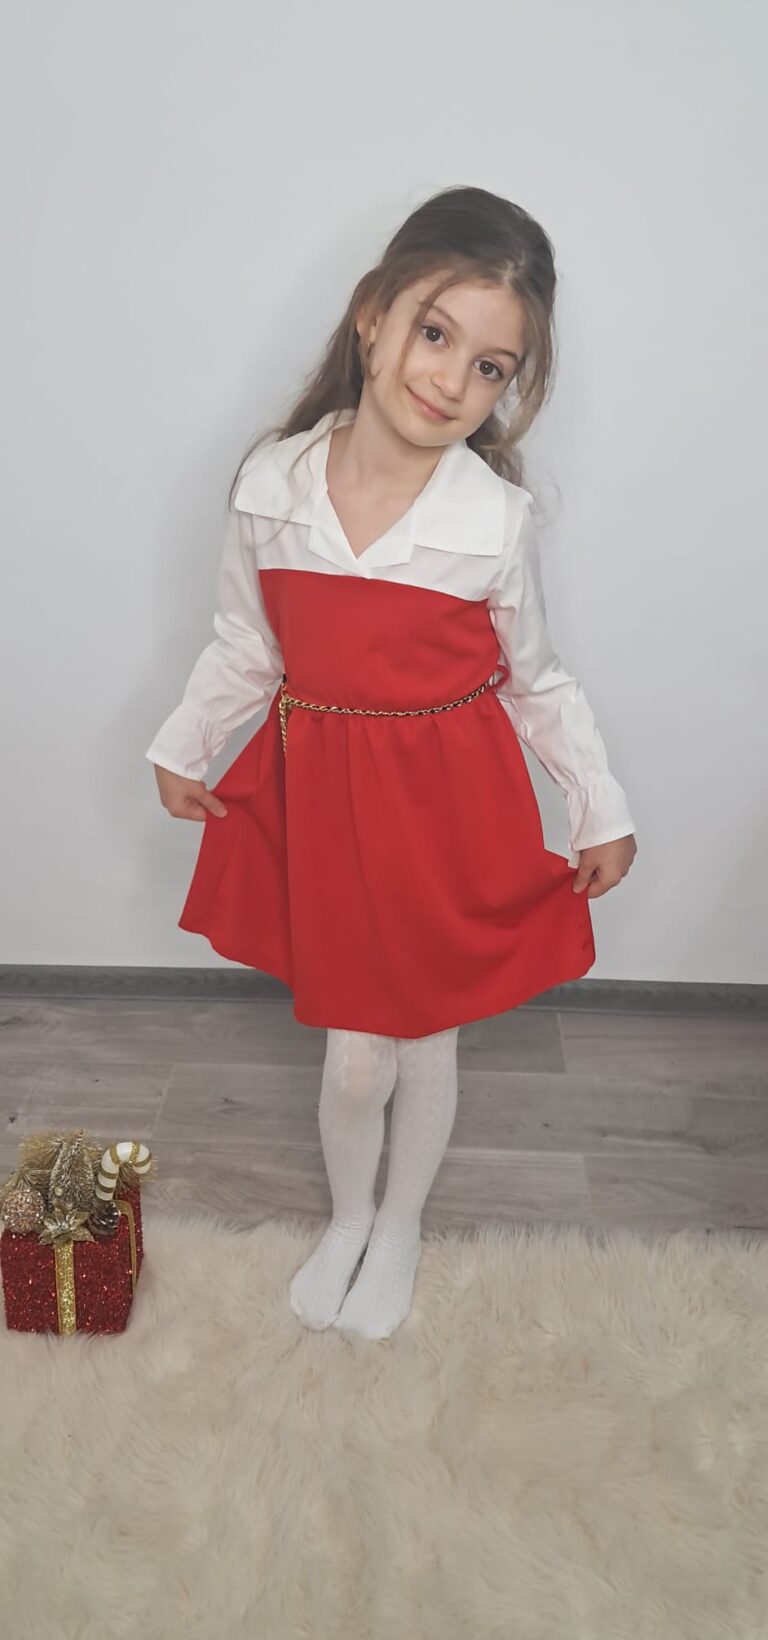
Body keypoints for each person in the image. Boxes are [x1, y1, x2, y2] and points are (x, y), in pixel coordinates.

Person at [146, 185, 638, 1341]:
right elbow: (246, 644)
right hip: (329, 804)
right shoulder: (271, 488)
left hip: (447, 810)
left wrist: (598, 803)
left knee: (423, 1035)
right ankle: (351, 1215)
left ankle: (401, 1224)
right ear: (373, 316)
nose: (452, 379)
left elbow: (536, 680)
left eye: (490, 366)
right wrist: (184, 739)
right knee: (356, 1060)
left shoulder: (491, 523)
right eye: (435, 332)